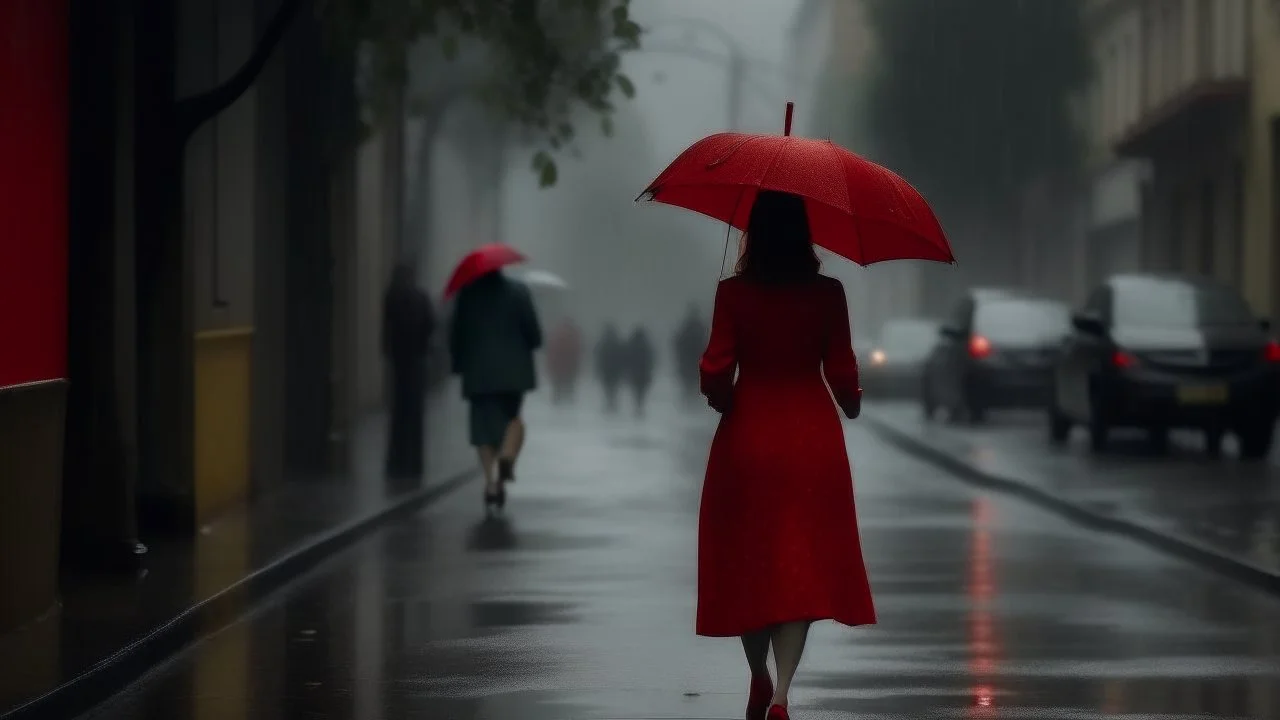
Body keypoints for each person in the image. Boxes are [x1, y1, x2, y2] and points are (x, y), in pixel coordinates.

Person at [696, 191, 873, 720]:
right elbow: (841, 370)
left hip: (748, 437)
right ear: (805, 233)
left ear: (753, 233)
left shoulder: (733, 294)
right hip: (812, 442)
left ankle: (757, 676)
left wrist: (723, 400)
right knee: (799, 569)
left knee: (751, 567)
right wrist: (852, 402)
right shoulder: (828, 294)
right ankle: (781, 696)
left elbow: (714, 371)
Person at [449, 268, 542, 512]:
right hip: (513, 373)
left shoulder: (467, 295)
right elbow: (534, 333)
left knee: (483, 430)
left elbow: (457, 334)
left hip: (478, 373)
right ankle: (505, 465)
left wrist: (459, 365)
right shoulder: (519, 291)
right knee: (511, 421)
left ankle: (490, 484)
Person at [381, 263, 436, 480]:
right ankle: (414, 461)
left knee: (398, 414)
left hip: (399, 361)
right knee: (415, 415)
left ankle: (396, 460)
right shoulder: (421, 297)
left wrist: (388, 349)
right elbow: (431, 324)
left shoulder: (391, 296)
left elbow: (387, 327)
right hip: (417, 360)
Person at [673, 303, 708, 402]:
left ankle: (689, 401)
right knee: (693, 382)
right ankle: (691, 401)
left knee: (689, 382)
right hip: (694, 360)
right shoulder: (699, 327)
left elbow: (679, 344)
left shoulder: (688, 327)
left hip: (690, 361)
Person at [546, 317, 583, 404]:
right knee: (569, 384)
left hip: (557, 366)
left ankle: (556, 400)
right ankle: (569, 401)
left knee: (557, 385)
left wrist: (550, 365)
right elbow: (577, 352)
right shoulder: (574, 335)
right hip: (570, 366)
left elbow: (551, 352)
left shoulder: (556, 334)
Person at [624, 325, 655, 417]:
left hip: (634, 372)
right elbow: (651, 359)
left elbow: (627, 358)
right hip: (643, 372)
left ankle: (638, 405)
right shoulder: (646, 345)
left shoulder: (631, 344)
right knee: (641, 390)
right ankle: (640, 405)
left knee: (636, 390)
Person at [595, 323, 625, 412]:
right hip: (615, 372)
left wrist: (598, 369)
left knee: (607, 388)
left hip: (606, 371)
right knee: (614, 389)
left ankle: (609, 403)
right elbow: (622, 358)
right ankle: (613, 403)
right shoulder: (618, 343)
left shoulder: (602, 344)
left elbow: (598, 358)